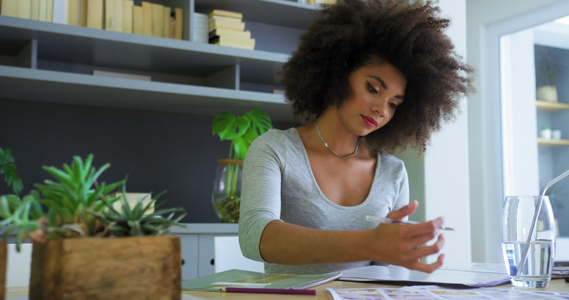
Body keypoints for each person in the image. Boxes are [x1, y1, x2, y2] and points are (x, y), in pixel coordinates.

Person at [238, 0, 473, 275]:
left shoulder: (392, 171)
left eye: (394, 103)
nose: (381, 110)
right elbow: (255, 236)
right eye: (373, 88)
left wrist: (403, 253)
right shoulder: (275, 149)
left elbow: (387, 272)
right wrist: (370, 243)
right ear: (339, 71)